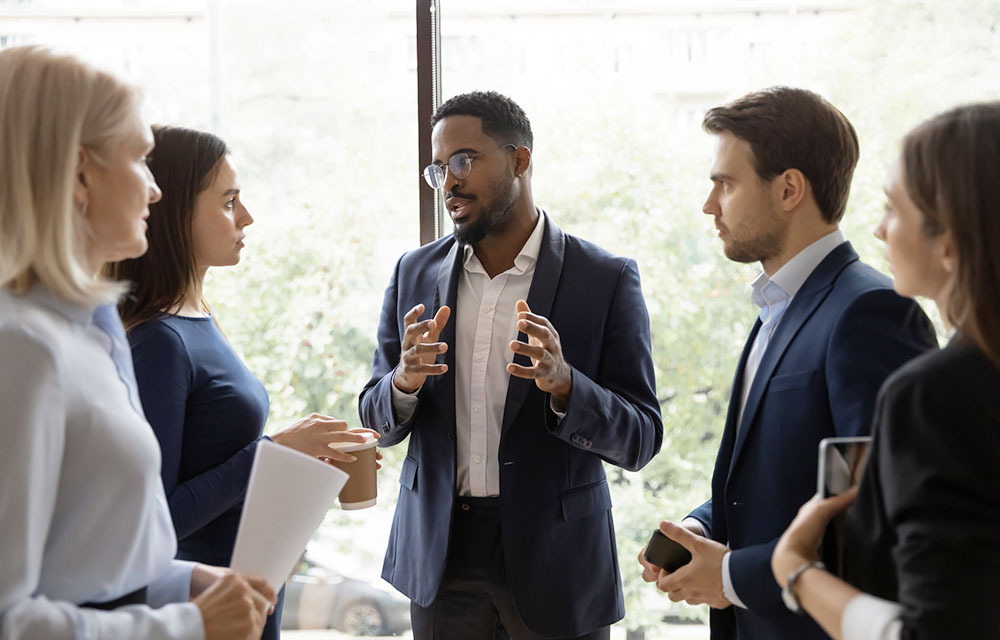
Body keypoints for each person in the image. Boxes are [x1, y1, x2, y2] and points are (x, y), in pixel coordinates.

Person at [359, 90, 663, 639]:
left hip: (558, 563)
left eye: (463, 161)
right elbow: (373, 421)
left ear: (519, 160)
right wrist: (403, 382)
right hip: (441, 561)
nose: (448, 183)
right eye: (438, 169)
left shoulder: (606, 279)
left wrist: (566, 386)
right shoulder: (412, 272)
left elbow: (641, 439)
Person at [637, 87, 937, 639]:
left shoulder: (871, 311)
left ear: (789, 189)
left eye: (726, 184)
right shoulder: (774, 309)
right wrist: (701, 526)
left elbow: (873, 513)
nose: (709, 205)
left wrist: (730, 576)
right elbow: (780, 480)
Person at [0, 45, 275, 640]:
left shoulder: (94, 330)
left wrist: (182, 582)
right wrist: (188, 624)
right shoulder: (21, 347)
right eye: (140, 159)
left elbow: (85, 565)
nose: (154, 190)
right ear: (80, 174)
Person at [104, 125, 379, 639]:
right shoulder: (160, 342)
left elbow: (223, 470)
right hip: (207, 609)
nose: (246, 216)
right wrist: (275, 452)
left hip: (246, 595)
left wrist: (302, 461)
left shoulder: (199, 319)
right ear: (175, 211)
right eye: (229, 201)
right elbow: (156, 523)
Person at [772, 101, 1000, 639]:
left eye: (893, 209)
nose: (877, 230)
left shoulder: (936, 395)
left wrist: (796, 571)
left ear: (949, 242)